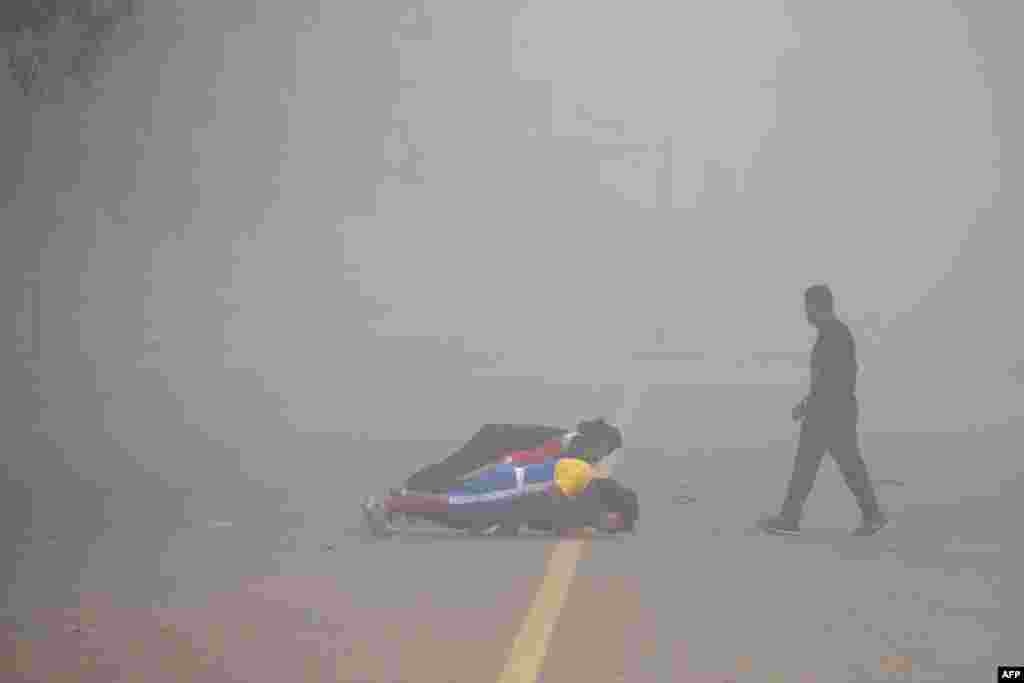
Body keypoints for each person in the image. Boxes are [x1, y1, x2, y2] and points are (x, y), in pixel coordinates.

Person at [759, 284, 888, 537]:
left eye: (807, 307)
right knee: (816, 465)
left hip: (831, 413)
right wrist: (807, 404)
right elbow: (828, 378)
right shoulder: (831, 333)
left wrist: (816, 407)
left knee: (832, 465)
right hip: (829, 410)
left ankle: (792, 518)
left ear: (817, 307)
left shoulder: (836, 335)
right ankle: (792, 517)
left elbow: (837, 379)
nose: (805, 313)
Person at [363, 456, 638, 537]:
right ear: (612, 510)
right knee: (455, 506)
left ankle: (404, 499)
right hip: (507, 488)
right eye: (617, 523)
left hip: (508, 488)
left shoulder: (586, 485)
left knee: (463, 515)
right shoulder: (582, 475)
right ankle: (387, 505)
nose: (611, 528)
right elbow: (547, 498)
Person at [400, 418, 623, 494]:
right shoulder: (569, 443)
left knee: (459, 473)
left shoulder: (584, 452)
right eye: (606, 448)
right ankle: (412, 489)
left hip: (502, 441)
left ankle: (418, 491)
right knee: (457, 470)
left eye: (609, 451)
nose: (605, 454)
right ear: (596, 440)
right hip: (495, 440)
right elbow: (531, 459)